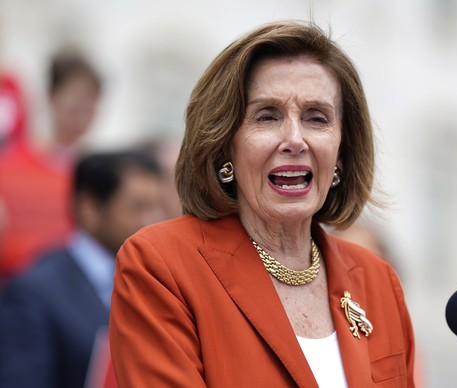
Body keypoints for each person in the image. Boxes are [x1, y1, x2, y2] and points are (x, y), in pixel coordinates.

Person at [110, 20, 416, 387]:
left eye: (316, 118)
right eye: (267, 116)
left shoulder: (378, 280)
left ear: (342, 153)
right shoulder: (161, 264)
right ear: (224, 144)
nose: (294, 139)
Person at [0, 150, 167, 388]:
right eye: (138, 207)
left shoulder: (157, 281)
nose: (153, 220)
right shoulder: (34, 292)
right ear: (89, 208)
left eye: (157, 207)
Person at [0, 51, 102, 282]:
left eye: (92, 98)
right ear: (51, 95)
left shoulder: (100, 174)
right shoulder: (9, 165)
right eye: (75, 95)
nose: (83, 106)